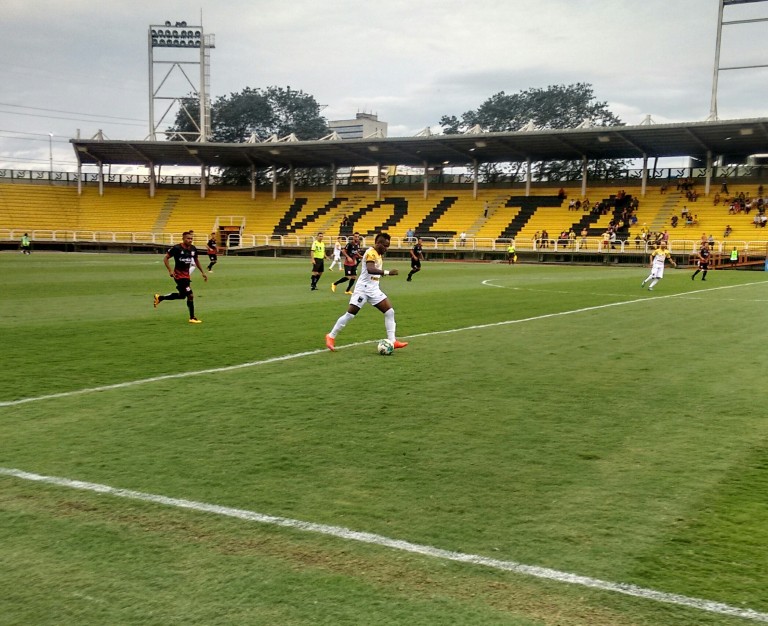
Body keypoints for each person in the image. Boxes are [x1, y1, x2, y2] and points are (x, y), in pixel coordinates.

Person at [325, 232, 408, 352]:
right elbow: (370, 269)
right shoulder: (370, 253)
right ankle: (331, 336)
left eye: (388, 246)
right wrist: (387, 272)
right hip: (363, 289)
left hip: (374, 289)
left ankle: (393, 340)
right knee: (350, 314)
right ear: (378, 243)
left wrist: (380, 276)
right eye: (385, 246)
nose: (386, 248)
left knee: (390, 312)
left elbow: (374, 271)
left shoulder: (378, 254)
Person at [153, 231, 208, 323]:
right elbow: (165, 258)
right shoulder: (177, 248)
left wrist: (203, 272)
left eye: (191, 238)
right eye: (188, 238)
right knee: (190, 295)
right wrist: (170, 270)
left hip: (186, 276)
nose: (190, 240)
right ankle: (192, 318)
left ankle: (160, 298)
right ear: (183, 238)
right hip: (178, 275)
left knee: (182, 296)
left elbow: (196, 260)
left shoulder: (193, 249)